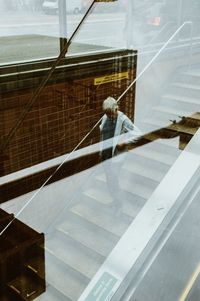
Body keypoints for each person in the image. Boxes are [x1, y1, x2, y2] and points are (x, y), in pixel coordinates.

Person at [99, 96, 142, 215]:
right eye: (107, 113)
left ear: (116, 108)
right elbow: (102, 132)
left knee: (113, 180)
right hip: (106, 156)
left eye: (110, 113)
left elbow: (138, 134)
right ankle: (115, 200)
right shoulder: (105, 117)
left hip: (116, 158)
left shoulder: (123, 120)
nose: (109, 116)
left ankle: (119, 204)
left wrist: (124, 142)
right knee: (109, 180)